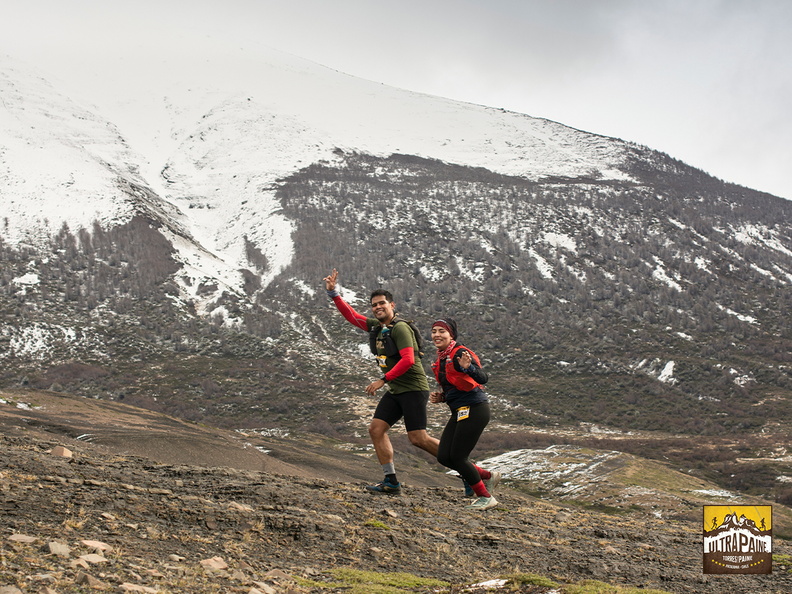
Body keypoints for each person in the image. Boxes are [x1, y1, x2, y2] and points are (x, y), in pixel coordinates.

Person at [323, 268, 439, 493]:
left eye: (382, 303)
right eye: (374, 304)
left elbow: (407, 360)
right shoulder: (377, 327)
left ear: (392, 305)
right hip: (397, 390)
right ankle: (391, 481)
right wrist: (333, 294)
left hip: (413, 389)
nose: (378, 307)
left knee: (418, 438)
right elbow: (352, 316)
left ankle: (470, 471)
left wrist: (382, 380)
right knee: (376, 430)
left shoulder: (401, 328)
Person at [430, 317, 501, 510]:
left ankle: (485, 497)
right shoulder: (442, 357)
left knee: (459, 458)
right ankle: (486, 476)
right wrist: (442, 397)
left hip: (475, 409)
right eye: (434, 331)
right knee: (444, 457)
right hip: (459, 411)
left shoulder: (460, 352)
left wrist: (469, 367)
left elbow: (482, 378)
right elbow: (457, 386)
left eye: (441, 331)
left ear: (451, 334)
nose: (437, 334)